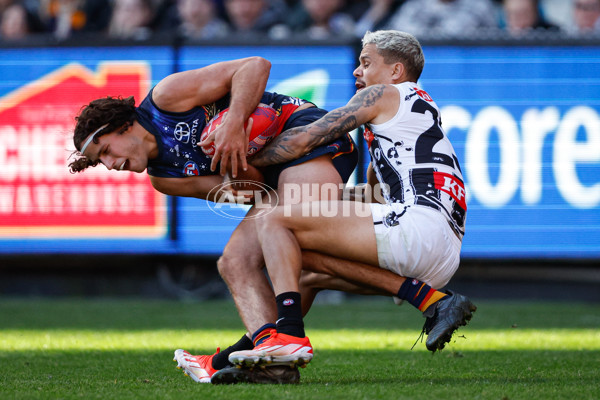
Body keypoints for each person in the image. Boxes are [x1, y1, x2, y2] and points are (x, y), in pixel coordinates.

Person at [227, 30, 476, 369]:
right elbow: (375, 191)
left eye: (366, 62)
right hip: (442, 251)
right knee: (303, 274)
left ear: (396, 71)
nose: (357, 71)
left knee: (276, 218)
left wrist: (239, 156)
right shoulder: (416, 112)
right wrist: (311, 196)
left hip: (419, 231)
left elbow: (305, 140)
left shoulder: (382, 93)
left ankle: (288, 337)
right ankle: (268, 360)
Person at [385, 0, 497, 38]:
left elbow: (494, 42)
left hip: (465, 70)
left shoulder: (480, 7)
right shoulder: (414, 6)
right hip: (420, 70)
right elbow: (394, 35)